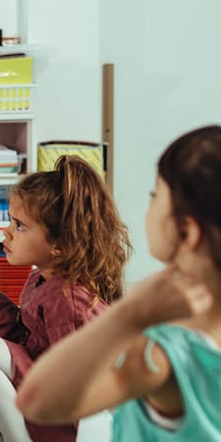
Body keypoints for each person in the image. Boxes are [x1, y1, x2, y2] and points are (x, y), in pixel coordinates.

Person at [17, 125, 221, 440]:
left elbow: (35, 401)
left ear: (186, 233)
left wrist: (131, 314)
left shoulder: (164, 351)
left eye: (155, 196)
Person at [0, 155, 132, 442]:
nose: (7, 232)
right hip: (40, 365)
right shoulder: (43, 275)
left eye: (20, 226)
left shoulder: (70, 301)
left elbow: (73, 384)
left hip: (62, 408)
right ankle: (8, 416)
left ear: (59, 244)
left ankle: (19, 435)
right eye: (11, 221)